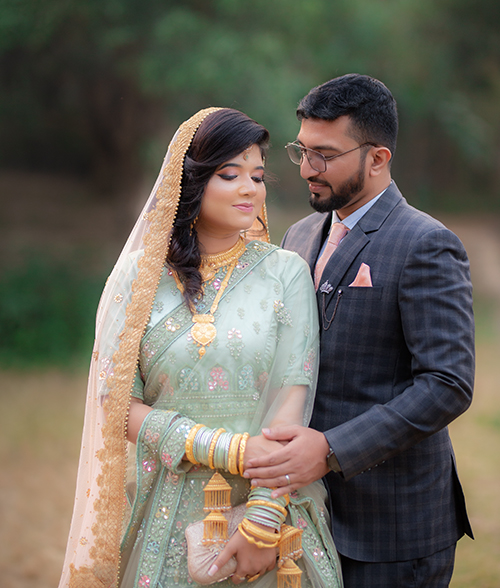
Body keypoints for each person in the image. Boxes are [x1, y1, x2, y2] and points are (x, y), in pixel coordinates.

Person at [58, 107, 343, 588]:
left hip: (269, 510)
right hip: (167, 511)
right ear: (191, 183)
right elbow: (116, 404)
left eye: (258, 176)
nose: (250, 189)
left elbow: (291, 400)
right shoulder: (139, 278)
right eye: (230, 175)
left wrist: (263, 519)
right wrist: (229, 449)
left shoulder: (285, 272)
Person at [244, 74, 475, 588]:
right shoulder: (299, 235)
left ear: (377, 158)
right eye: (302, 151)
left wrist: (330, 449)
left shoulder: (426, 243)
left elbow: (447, 384)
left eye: (324, 155)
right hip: (304, 514)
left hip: (392, 529)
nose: (307, 168)